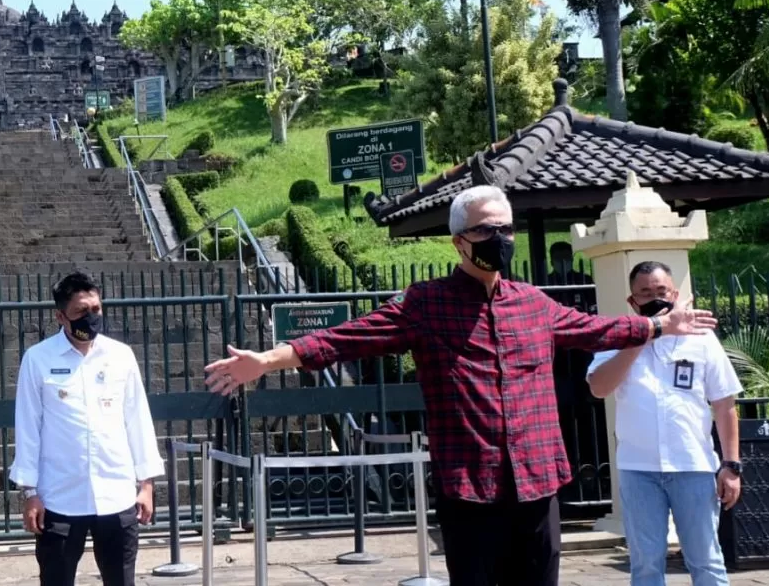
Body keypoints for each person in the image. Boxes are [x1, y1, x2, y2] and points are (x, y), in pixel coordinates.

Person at [204, 185, 718, 586]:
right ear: (459, 241)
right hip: (470, 484)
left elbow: (596, 329)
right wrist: (268, 360)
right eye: (487, 230)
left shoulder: (534, 304)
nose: (501, 239)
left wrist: (656, 326)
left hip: (538, 481)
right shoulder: (424, 304)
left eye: (506, 228)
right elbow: (346, 338)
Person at [587, 261, 742, 586]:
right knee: (645, 565)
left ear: (675, 294)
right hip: (639, 470)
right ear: (633, 301)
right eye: (646, 293)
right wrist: (645, 335)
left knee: (706, 562)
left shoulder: (701, 338)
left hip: (694, 467)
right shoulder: (619, 337)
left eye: (662, 292)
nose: (655, 298)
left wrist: (731, 465)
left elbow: (725, 403)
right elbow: (599, 387)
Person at [10, 271, 164, 586]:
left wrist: (145, 484)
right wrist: (30, 493)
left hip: (116, 494)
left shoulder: (120, 356)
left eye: (95, 309)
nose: (91, 317)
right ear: (60, 316)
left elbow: (138, 420)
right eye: (81, 312)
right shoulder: (38, 360)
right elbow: (28, 427)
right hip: (60, 497)